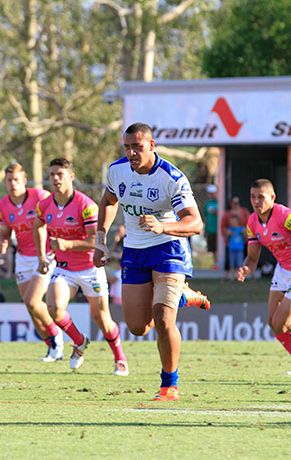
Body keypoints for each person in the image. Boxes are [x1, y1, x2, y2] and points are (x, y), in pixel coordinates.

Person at [93, 123, 211, 401]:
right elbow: (108, 201)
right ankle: (184, 295)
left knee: (163, 317)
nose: (132, 152)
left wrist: (162, 227)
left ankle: (169, 384)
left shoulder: (171, 177)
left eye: (138, 146)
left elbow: (195, 223)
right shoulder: (117, 171)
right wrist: (100, 241)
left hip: (169, 249)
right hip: (134, 251)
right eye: (127, 147)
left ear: (152, 145)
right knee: (137, 326)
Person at [33, 158, 128, 375]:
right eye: (52, 175)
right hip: (64, 268)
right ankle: (79, 341)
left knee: (102, 318)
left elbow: (96, 240)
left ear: (71, 177)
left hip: (89, 268)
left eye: (60, 174)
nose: (55, 179)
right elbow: (38, 225)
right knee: (54, 309)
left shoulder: (86, 205)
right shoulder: (45, 204)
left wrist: (67, 243)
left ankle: (120, 358)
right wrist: (41, 256)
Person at [0, 162, 64, 362]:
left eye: (16, 179)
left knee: (32, 301)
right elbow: (5, 232)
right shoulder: (2, 205)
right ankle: (52, 349)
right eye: (9, 180)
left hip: (45, 255)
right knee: (31, 308)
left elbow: (55, 217)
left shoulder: (40, 196)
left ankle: (56, 336)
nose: (12, 184)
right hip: (23, 257)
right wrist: (3, 243)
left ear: (24, 181)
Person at [237, 179, 291, 371]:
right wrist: (246, 268)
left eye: (261, 197)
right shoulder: (252, 221)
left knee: (281, 322)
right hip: (283, 270)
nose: (256, 201)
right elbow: (252, 258)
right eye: (253, 197)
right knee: (274, 324)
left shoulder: (285, 216)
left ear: (272, 197)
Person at [220, 196, 250, 280]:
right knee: (230, 261)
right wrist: (227, 234)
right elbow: (223, 226)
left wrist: (247, 235)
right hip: (232, 242)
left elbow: (250, 223)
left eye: (238, 203)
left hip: (243, 240)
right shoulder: (227, 214)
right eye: (234, 203)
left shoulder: (244, 212)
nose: (236, 205)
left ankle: (246, 276)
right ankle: (227, 276)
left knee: (244, 260)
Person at [225, 214, 246, 280]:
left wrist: (243, 233)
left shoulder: (241, 229)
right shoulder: (230, 229)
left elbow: (246, 236)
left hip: (239, 249)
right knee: (232, 264)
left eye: (234, 221)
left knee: (240, 264)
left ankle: (240, 277)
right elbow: (226, 236)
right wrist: (228, 233)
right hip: (232, 249)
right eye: (231, 221)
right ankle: (232, 277)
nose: (232, 223)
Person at [204, 184, 218, 260]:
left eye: (213, 193)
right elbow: (206, 217)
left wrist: (216, 212)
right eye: (210, 193)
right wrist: (205, 230)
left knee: (217, 247)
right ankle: (215, 263)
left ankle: (219, 262)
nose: (211, 195)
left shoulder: (220, 202)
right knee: (212, 248)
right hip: (210, 229)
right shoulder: (208, 203)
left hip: (218, 230)